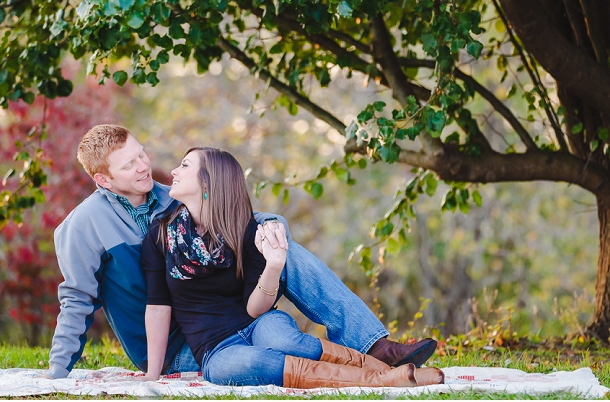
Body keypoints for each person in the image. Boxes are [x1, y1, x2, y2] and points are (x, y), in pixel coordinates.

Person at [46, 124, 436, 379]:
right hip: (177, 347)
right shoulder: (82, 226)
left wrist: (270, 227)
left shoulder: (172, 198)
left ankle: (376, 347)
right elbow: (76, 299)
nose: (145, 166)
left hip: (233, 317)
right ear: (103, 179)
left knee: (284, 251)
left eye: (141, 153)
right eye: (129, 165)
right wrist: (57, 374)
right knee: (261, 352)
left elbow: (231, 211)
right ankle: (364, 374)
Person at [141, 146, 444, 388]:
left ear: (208, 182)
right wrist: (153, 375)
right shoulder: (160, 236)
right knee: (250, 365)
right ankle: (384, 378)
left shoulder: (246, 231)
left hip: (256, 323)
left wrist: (274, 265)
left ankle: (385, 369)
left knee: (286, 341)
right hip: (215, 349)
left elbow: (255, 310)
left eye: (184, 166)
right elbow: (157, 307)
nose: (173, 171)